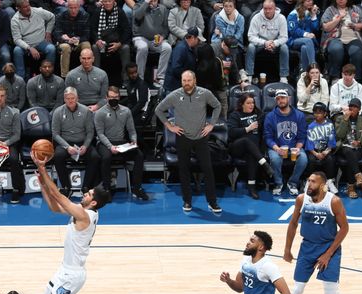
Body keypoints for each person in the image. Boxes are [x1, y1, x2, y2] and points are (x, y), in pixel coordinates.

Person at [31, 149, 111, 294]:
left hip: (72, 275)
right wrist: (43, 183)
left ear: (93, 203)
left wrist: (42, 168)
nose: (85, 193)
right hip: (65, 270)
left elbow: (59, 197)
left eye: (89, 194)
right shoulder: (82, 212)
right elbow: (54, 206)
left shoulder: (84, 215)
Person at [283, 171, 360, 294]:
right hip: (307, 247)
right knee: (297, 290)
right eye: (308, 181)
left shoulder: (333, 201)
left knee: (330, 293)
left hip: (329, 248)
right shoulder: (302, 199)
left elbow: (344, 228)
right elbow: (293, 223)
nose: (309, 185)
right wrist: (287, 249)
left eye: (313, 182)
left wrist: (328, 253)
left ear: (323, 185)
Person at [155, 70, 222, 213]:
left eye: (189, 80)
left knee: (208, 170)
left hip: (201, 137)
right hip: (183, 137)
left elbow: (217, 106)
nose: (186, 83)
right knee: (184, 171)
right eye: (184, 80)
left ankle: (212, 202)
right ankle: (187, 201)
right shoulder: (174, 95)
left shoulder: (205, 93)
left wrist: (211, 125)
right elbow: (159, 110)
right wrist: (170, 126)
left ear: (194, 80)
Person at [94, 86, 148, 200]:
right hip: (105, 142)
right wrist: (110, 146)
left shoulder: (126, 111)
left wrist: (133, 140)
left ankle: (137, 188)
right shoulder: (100, 113)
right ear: (106, 97)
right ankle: (106, 189)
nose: (113, 99)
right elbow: (100, 134)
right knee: (106, 157)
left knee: (139, 155)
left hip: (121, 142)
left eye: (116, 97)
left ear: (119, 97)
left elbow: (131, 130)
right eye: (111, 97)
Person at [227, 93, 274, 199]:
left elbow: (264, 130)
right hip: (237, 147)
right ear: (241, 104)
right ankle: (265, 164)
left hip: (253, 150)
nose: (251, 105)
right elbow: (231, 132)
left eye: (253, 102)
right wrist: (247, 129)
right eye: (248, 103)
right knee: (245, 141)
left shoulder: (259, 114)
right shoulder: (235, 115)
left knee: (252, 154)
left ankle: (251, 187)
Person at [264, 89, 307, 196]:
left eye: (283, 98)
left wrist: (297, 148)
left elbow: (302, 137)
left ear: (289, 99)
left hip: (293, 147)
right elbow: (268, 138)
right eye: (278, 99)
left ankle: (293, 182)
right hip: (277, 147)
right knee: (275, 159)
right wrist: (277, 149)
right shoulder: (270, 116)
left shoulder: (299, 115)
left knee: (303, 159)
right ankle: (278, 183)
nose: (280, 101)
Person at [320, 0, 362, 82]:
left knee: (356, 52)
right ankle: (335, 77)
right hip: (335, 38)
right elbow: (326, 27)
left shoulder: (356, 9)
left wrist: (354, 25)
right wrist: (338, 19)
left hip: (353, 37)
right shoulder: (330, 10)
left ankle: (356, 79)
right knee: (336, 49)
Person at [246, 0, 290, 84]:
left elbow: (284, 37)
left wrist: (274, 43)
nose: (267, 11)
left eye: (270, 9)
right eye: (265, 8)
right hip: (260, 43)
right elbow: (250, 36)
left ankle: (283, 76)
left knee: (284, 47)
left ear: (275, 8)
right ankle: (249, 75)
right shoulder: (256, 17)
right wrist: (264, 42)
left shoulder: (281, 18)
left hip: (275, 43)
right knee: (251, 46)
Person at [10, 0, 56, 79]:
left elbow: (52, 17)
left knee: (51, 48)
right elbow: (17, 39)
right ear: (18, 8)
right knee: (17, 50)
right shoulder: (15, 20)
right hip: (26, 44)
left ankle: (48, 74)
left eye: (28, 5)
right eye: (25, 7)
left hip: (41, 42)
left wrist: (48, 32)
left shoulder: (38, 11)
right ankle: (20, 78)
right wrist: (29, 48)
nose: (28, 8)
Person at [333, 98, 362, 196]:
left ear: (359, 109)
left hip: (358, 148)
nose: (352, 109)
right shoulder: (340, 118)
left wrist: (360, 142)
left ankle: (351, 187)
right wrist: (345, 120)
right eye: (350, 106)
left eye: (355, 107)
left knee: (351, 159)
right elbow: (339, 135)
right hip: (343, 147)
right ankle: (358, 176)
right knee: (349, 152)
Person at [133, 0, 171, 89]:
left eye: (154, 0)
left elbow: (166, 27)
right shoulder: (138, 6)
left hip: (156, 40)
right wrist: (146, 3)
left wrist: (163, 36)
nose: (152, 2)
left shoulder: (163, 8)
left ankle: (160, 77)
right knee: (142, 47)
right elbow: (137, 17)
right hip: (141, 37)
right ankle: (140, 78)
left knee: (167, 47)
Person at [53, 0, 91, 78]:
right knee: (65, 47)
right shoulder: (60, 16)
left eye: (75, 8)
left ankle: (86, 73)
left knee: (87, 45)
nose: (73, 10)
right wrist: (65, 39)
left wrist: (78, 39)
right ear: (67, 7)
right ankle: (65, 76)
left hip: (78, 41)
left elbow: (87, 35)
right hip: (65, 42)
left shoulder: (85, 15)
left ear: (79, 7)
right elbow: (57, 34)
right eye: (71, 8)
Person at [305, 102, 337, 183]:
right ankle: (309, 182)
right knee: (311, 160)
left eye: (319, 113)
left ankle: (330, 181)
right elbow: (309, 143)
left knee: (330, 159)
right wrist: (316, 154)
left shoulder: (330, 125)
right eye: (315, 112)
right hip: (314, 151)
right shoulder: (310, 126)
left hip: (326, 150)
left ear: (325, 113)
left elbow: (331, 142)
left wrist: (325, 152)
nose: (317, 115)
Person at [287, 0, 320, 74]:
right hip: (294, 40)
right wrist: (306, 34)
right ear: (302, 2)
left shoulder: (309, 13)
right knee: (308, 41)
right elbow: (293, 31)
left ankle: (305, 72)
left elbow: (315, 29)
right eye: (308, 1)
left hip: (307, 43)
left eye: (311, 0)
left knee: (304, 48)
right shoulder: (293, 14)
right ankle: (314, 68)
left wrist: (313, 15)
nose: (310, 2)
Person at [163, 27, 200, 93]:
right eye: (198, 39)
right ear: (192, 38)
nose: (198, 42)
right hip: (174, 88)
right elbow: (176, 68)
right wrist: (189, 78)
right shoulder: (181, 48)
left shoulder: (190, 48)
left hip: (180, 87)